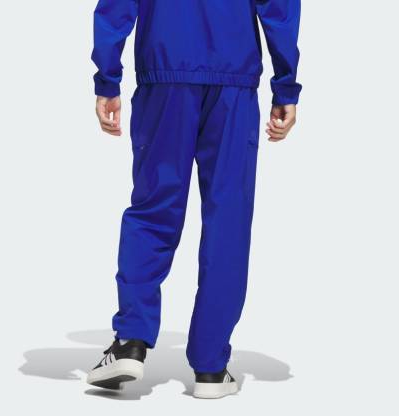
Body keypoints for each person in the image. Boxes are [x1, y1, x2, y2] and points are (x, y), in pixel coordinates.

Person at [86, 0, 302, 399]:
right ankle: (210, 366)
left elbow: (117, 4)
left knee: (153, 209)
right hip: (233, 77)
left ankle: (131, 341)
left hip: (165, 71)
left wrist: (108, 77)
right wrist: (285, 83)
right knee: (229, 220)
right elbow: (279, 6)